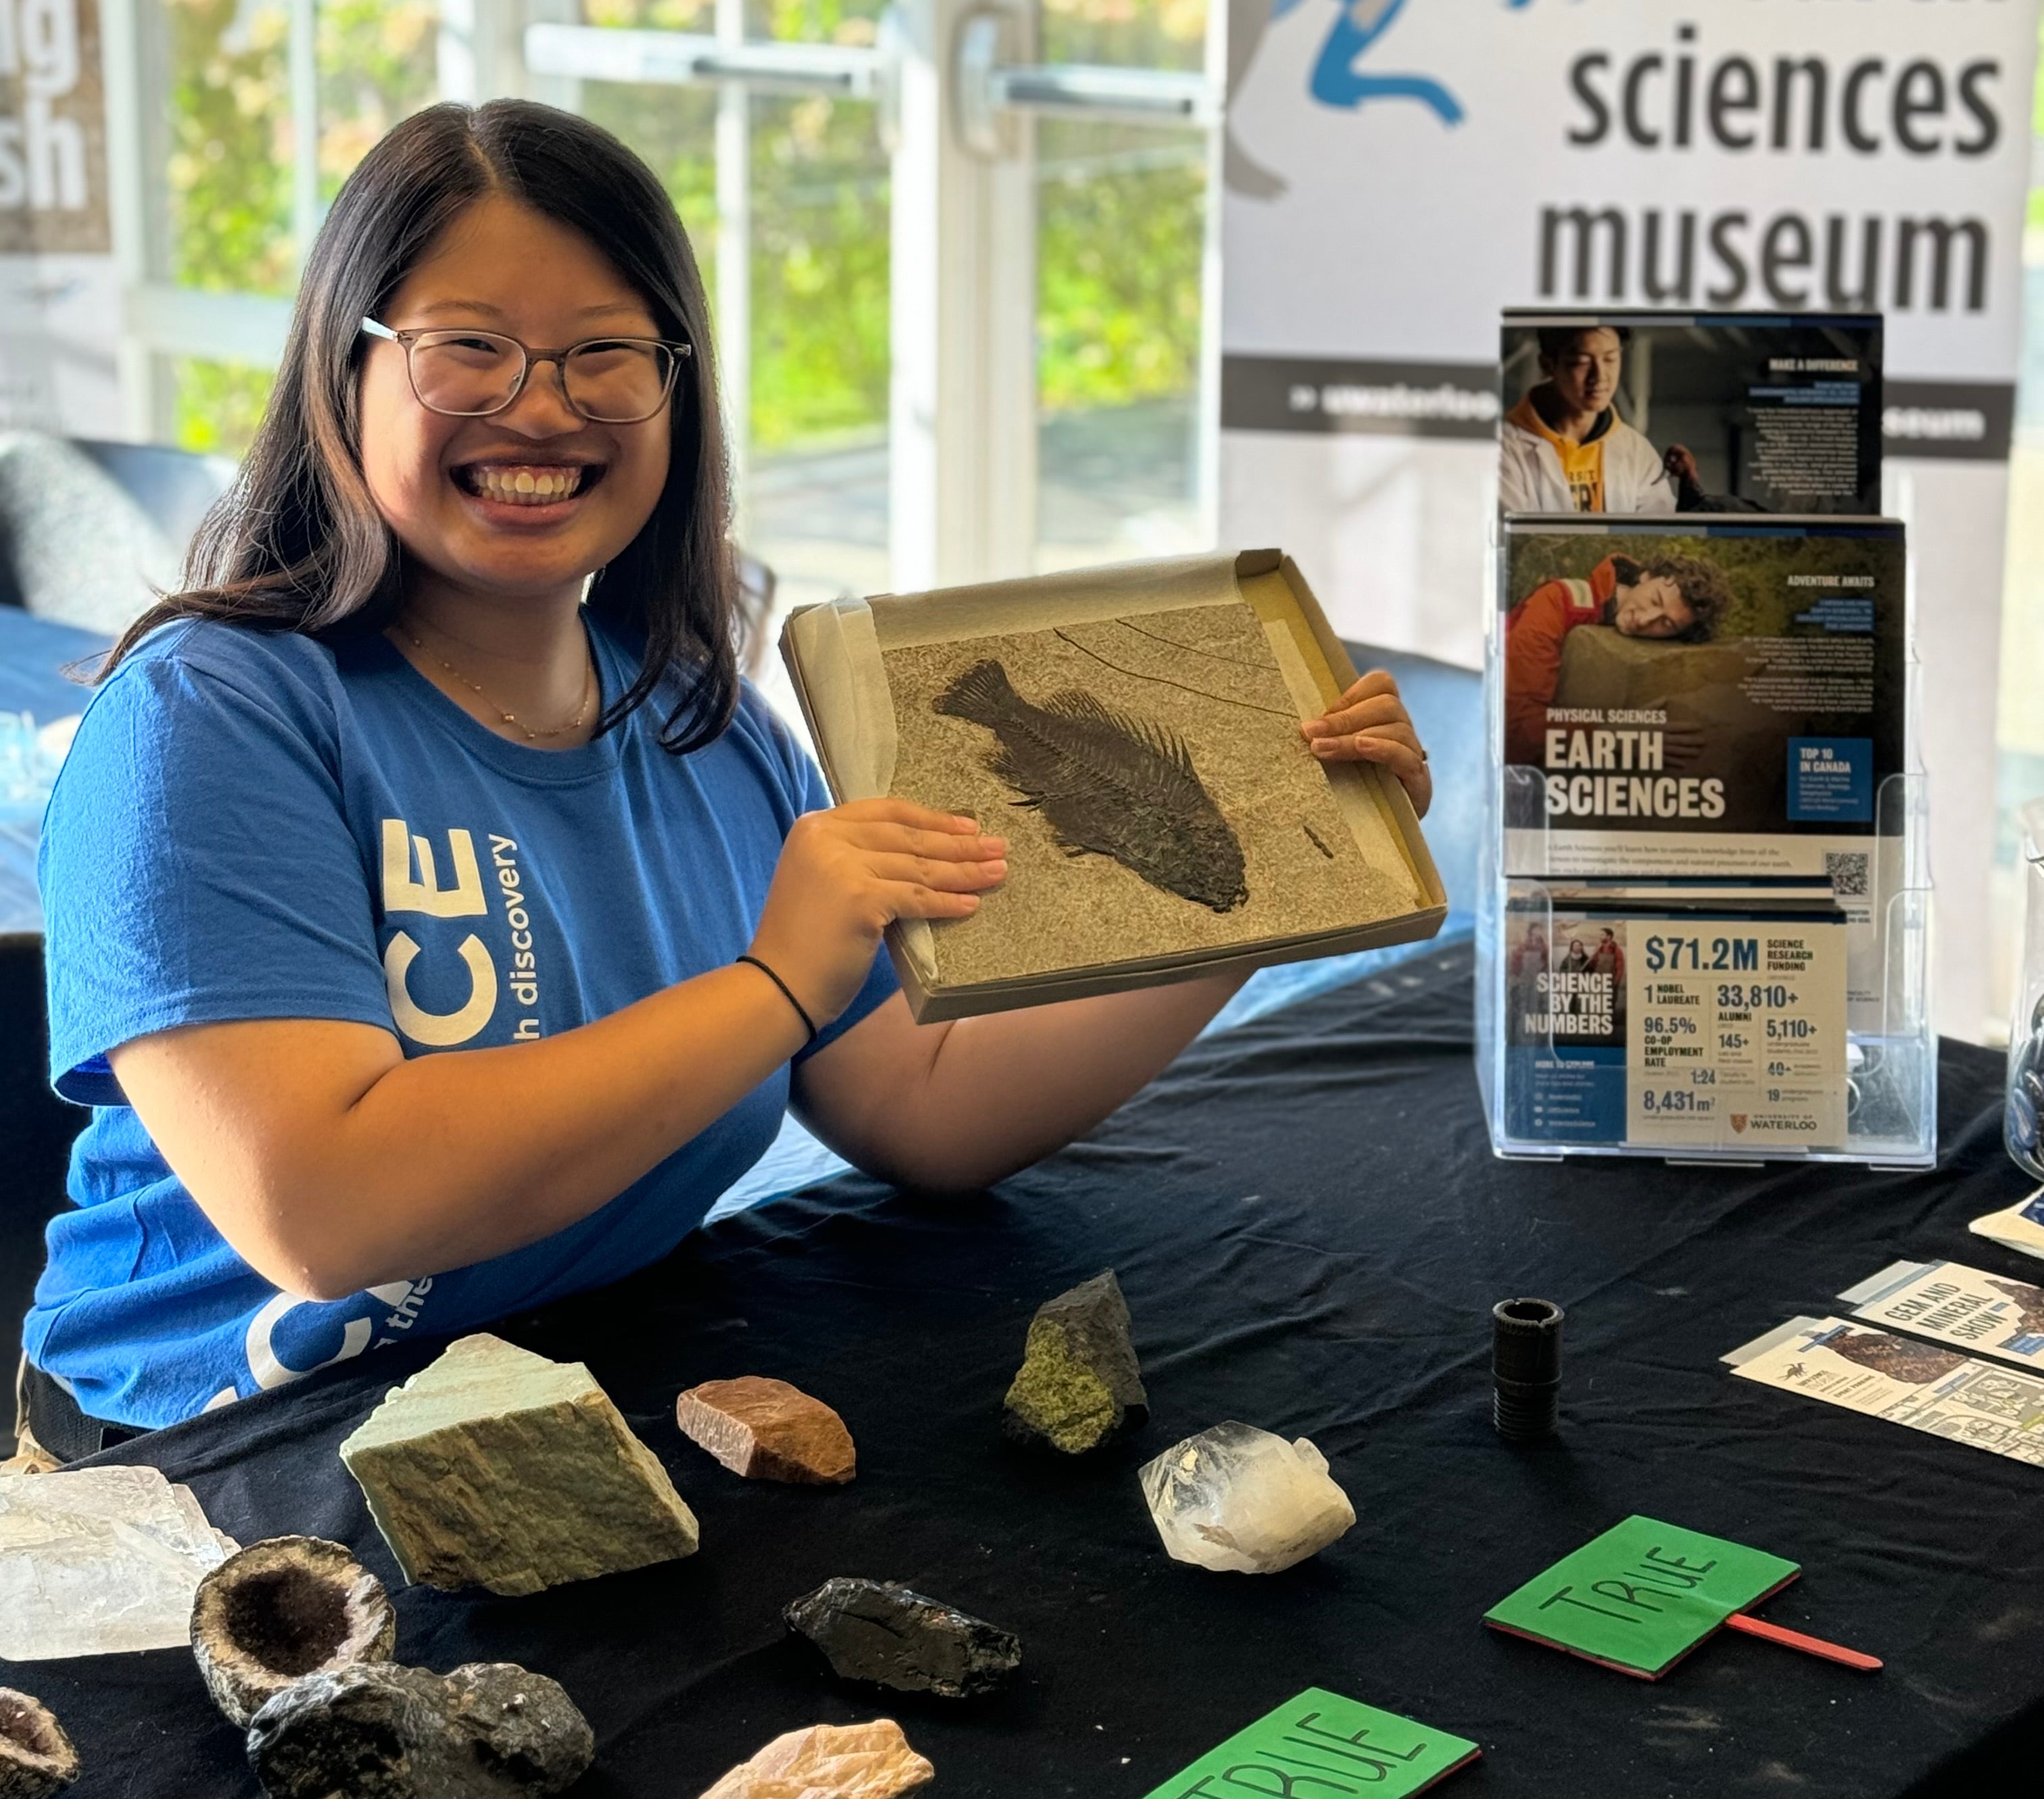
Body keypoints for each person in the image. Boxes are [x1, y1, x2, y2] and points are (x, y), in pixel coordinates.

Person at [22, 101, 1432, 1453]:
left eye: (604, 356)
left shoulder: (714, 732)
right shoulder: (211, 718)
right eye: (469, 348)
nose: (540, 409)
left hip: (568, 1403)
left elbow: (924, 1108)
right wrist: (769, 987)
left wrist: (1283, 891)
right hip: (215, 1453)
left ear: (676, 392)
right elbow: (322, 1209)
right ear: (348, 364)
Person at [1502, 548, 1729, 767]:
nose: (1645, 620)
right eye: (1655, 600)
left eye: (1666, 623)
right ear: (1646, 576)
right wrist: (1609, 738)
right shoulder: (1558, 601)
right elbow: (1512, 729)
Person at [1500, 325, 1704, 514]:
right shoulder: (1502, 450)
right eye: (1582, 362)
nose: (1599, 376)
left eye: (1610, 359)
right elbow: (1511, 544)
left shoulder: (1636, 451)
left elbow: (1657, 538)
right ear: (1548, 365)